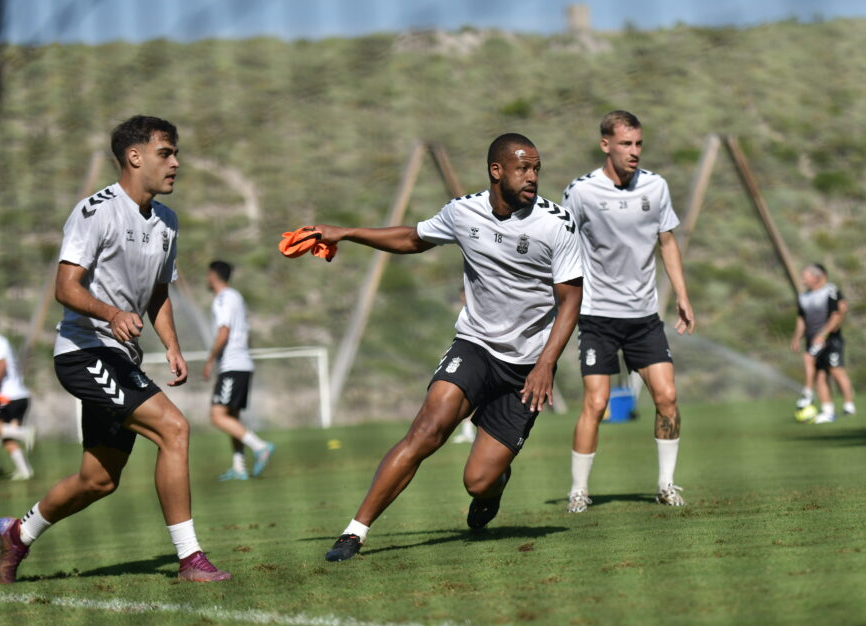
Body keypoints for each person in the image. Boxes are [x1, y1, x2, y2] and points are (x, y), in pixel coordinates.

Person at [309, 133, 582, 562]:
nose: (532, 177)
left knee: (478, 480)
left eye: (536, 169)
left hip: (525, 368)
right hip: (474, 347)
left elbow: (570, 300)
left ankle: (495, 487)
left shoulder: (556, 224)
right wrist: (347, 232)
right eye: (523, 168)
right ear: (497, 171)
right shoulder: (463, 212)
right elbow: (412, 239)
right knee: (426, 430)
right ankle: (355, 532)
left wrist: (546, 363)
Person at [0, 115, 230, 584]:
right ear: (134, 156)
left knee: (98, 480)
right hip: (83, 353)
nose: (176, 163)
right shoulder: (94, 210)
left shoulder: (167, 221)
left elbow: (159, 292)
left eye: (176, 153)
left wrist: (173, 346)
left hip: (121, 357)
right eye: (166, 153)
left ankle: (17, 534)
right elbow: (65, 286)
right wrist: (110, 313)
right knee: (174, 429)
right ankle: (190, 559)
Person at [562, 110, 695, 514]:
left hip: (644, 318)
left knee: (668, 397)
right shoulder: (581, 192)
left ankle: (666, 485)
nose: (634, 152)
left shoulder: (655, 187)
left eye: (638, 144)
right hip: (598, 316)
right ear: (606, 145)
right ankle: (579, 491)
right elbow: (561, 246)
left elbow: (667, 242)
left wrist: (682, 295)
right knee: (596, 403)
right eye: (625, 144)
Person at [202, 261, 275, 480]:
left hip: (233, 365)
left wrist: (210, 360)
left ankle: (260, 447)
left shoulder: (224, 298)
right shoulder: (236, 296)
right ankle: (239, 467)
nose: (206, 279)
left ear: (213, 275)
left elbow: (224, 332)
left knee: (217, 416)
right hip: (240, 363)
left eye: (208, 274)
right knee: (232, 417)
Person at [790, 264, 856, 424]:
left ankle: (848, 404)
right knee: (820, 375)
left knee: (836, 371)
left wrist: (824, 333)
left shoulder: (830, 291)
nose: (803, 279)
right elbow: (801, 319)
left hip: (830, 339)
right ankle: (827, 411)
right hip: (813, 340)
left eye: (805, 276)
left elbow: (837, 314)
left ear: (816, 277)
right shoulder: (803, 297)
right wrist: (797, 337)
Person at [0, 316, 35, 480]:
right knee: (8, 437)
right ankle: (24, 472)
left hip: (9, 397)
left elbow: (2, 365)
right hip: (19, 395)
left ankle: (24, 433)